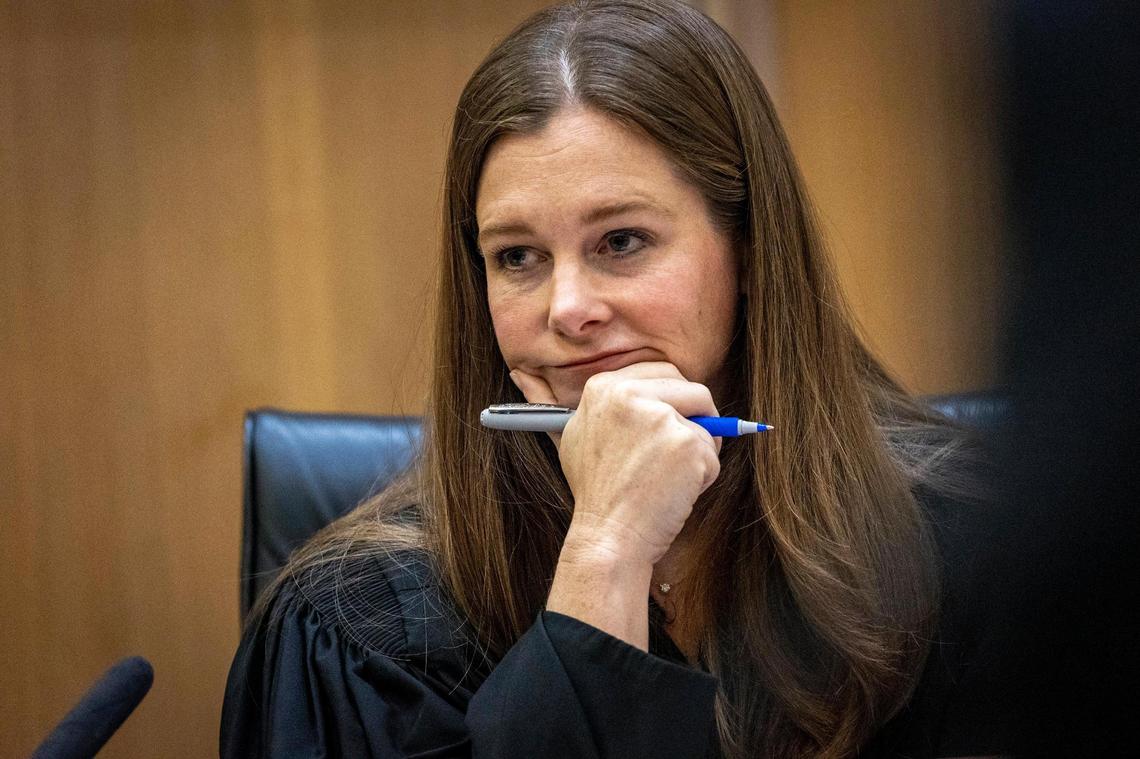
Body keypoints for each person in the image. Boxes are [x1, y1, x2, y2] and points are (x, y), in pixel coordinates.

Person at [220, 1, 997, 756]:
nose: (568, 309)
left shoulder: (969, 544)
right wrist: (606, 550)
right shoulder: (353, 629)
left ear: (751, 250)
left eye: (621, 240)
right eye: (516, 257)